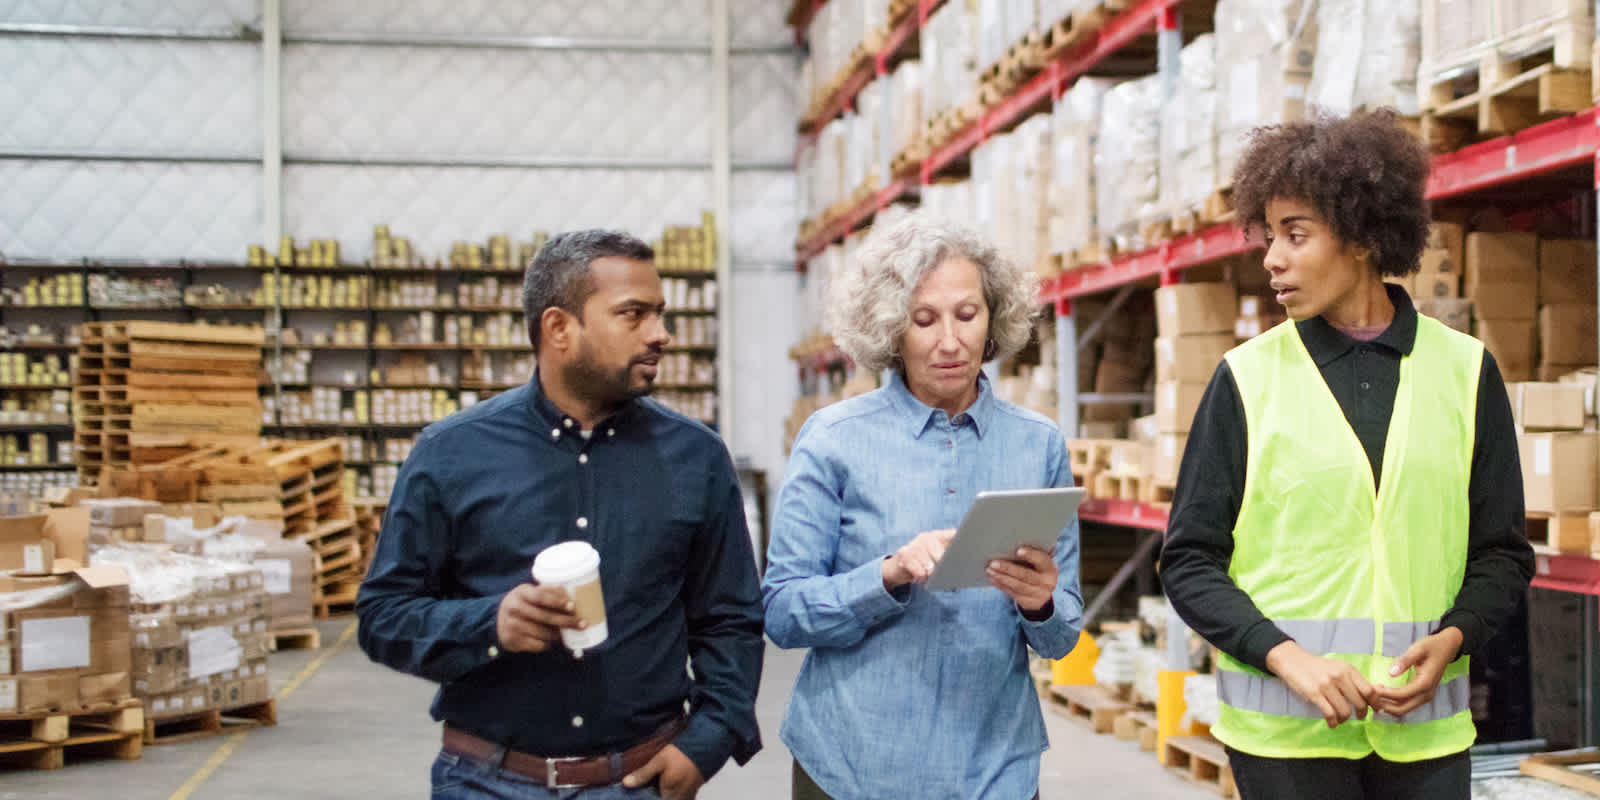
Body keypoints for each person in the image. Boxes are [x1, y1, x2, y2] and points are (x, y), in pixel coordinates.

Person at [1160, 109, 1535, 800]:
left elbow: (1503, 553)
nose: (1272, 258)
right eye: (1270, 236)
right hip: (1287, 744)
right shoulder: (1245, 378)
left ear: (1362, 236)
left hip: (1423, 736)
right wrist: (1290, 658)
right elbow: (1188, 559)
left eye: (1296, 235)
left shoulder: (1465, 371)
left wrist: (1453, 639)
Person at [357, 229, 764, 800]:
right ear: (559, 329)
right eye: (634, 314)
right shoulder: (451, 453)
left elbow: (730, 618)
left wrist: (708, 741)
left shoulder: (696, 457)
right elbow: (383, 616)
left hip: (639, 781)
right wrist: (490, 624)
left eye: (660, 314)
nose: (661, 334)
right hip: (488, 782)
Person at [763, 214, 1084, 800]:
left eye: (967, 315)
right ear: (891, 329)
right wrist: (887, 573)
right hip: (853, 765)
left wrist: (1041, 606)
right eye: (923, 319)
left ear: (993, 320)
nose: (949, 341)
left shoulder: (1037, 444)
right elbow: (783, 612)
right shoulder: (834, 438)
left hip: (995, 769)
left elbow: (1062, 636)